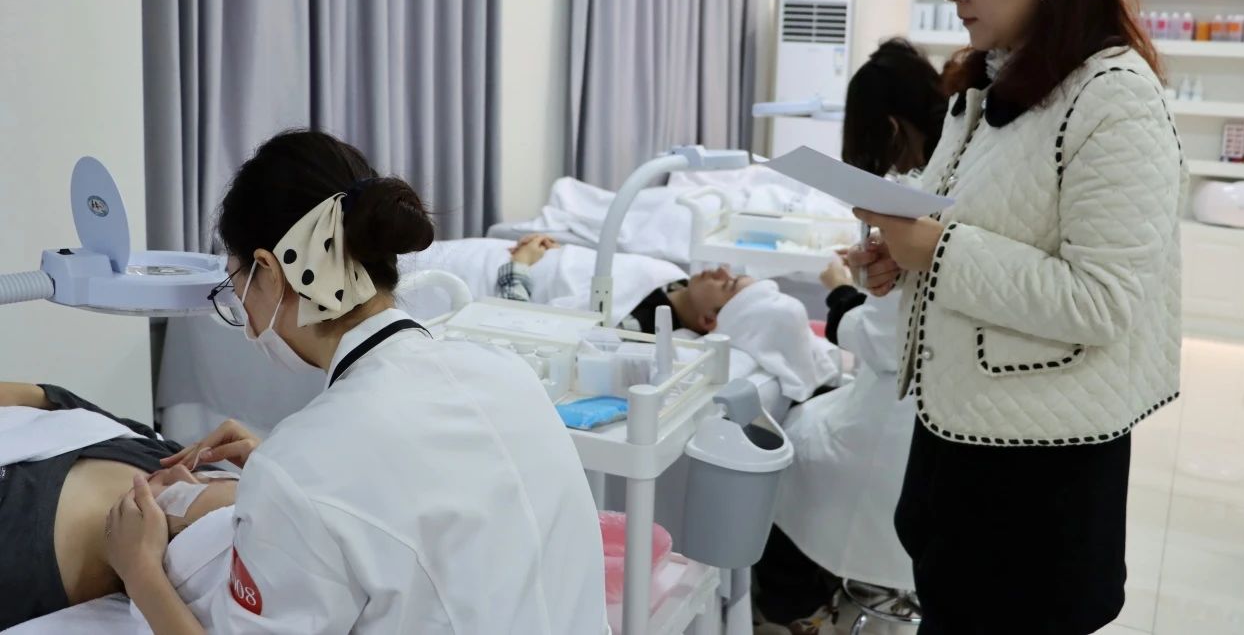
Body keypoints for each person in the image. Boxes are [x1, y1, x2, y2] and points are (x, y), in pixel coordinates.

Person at [848, 0, 1186, 635]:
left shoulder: (1114, 100)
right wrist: (899, 256)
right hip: (960, 461)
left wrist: (933, 250)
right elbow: (965, 223)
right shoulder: (988, 88)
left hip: (1039, 490)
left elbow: (1101, 300)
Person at [106, 130, 607, 634]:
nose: (245, 318)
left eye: (234, 289)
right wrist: (279, 477)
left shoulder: (303, 468)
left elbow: (349, 481)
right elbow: (427, 503)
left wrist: (139, 570)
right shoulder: (505, 371)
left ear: (270, 272)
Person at [753, 39, 947, 634]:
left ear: (888, 127)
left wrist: (842, 293)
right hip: (922, 421)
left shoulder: (910, 199)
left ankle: (794, 612)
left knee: (787, 452)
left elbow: (889, 345)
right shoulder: (951, 177)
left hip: (901, 439)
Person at [0, 382, 236, 629]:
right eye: (210, 477)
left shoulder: (18, 575)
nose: (180, 471)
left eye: (182, 495)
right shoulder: (165, 460)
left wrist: (144, 579)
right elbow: (49, 400)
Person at [498, 233, 754, 334]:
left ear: (708, 320)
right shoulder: (674, 279)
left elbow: (520, 328)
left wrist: (520, 264)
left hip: (505, 271)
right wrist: (560, 251)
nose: (722, 270)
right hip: (534, 253)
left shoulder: (638, 325)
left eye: (728, 284)